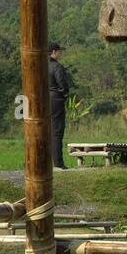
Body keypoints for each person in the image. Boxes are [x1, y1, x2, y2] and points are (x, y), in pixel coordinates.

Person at [47, 42, 71, 170]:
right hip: (55, 99)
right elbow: (63, 85)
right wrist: (65, 95)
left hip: (41, 100)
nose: (60, 54)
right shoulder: (56, 66)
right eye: (59, 52)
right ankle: (58, 163)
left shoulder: (39, 65)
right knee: (57, 131)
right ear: (54, 52)